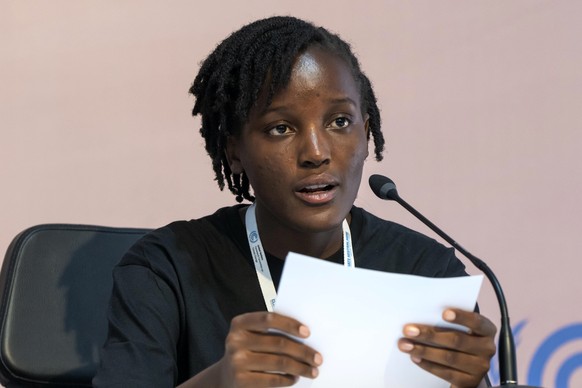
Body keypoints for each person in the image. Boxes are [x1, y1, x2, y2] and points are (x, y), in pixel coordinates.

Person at [94, 16, 496, 388]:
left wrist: (472, 384)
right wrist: (218, 381)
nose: (316, 152)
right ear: (235, 151)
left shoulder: (426, 271)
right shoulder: (165, 268)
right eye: (280, 128)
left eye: (340, 122)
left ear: (366, 134)